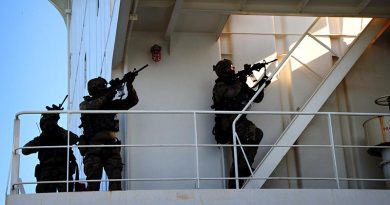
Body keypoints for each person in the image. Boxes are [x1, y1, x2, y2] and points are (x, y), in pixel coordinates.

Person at [211, 59, 270, 188]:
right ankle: (243, 170)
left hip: (238, 121)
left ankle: (237, 181)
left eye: (233, 67)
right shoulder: (219, 86)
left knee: (253, 138)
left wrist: (262, 85)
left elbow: (256, 98)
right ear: (222, 71)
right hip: (227, 124)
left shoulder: (238, 83)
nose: (232, 70)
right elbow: (231, 92)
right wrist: (241, 79)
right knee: (253, 133)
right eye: (229, 68)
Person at [79, 75, 139, 191]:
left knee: (116, 185)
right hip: (94, 149)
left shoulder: (110, 104)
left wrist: (129, 85)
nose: (105, 88)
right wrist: (110, 93)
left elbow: (132, 101)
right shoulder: (86, 104)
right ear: (95, 89)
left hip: (111, 148)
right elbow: (93, 107)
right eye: (102, 87)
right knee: (93, 186)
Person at [22, 105, 79, 193]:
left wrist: (57, 128)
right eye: (46, 124)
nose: (49, 126)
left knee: (66, 197)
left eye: (50, 123)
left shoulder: (62, 135)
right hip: (46, 172)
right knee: (43, 198)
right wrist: (43, 137)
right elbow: (25, 150)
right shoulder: (41, 139)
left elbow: (74, 139)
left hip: (63, 170)